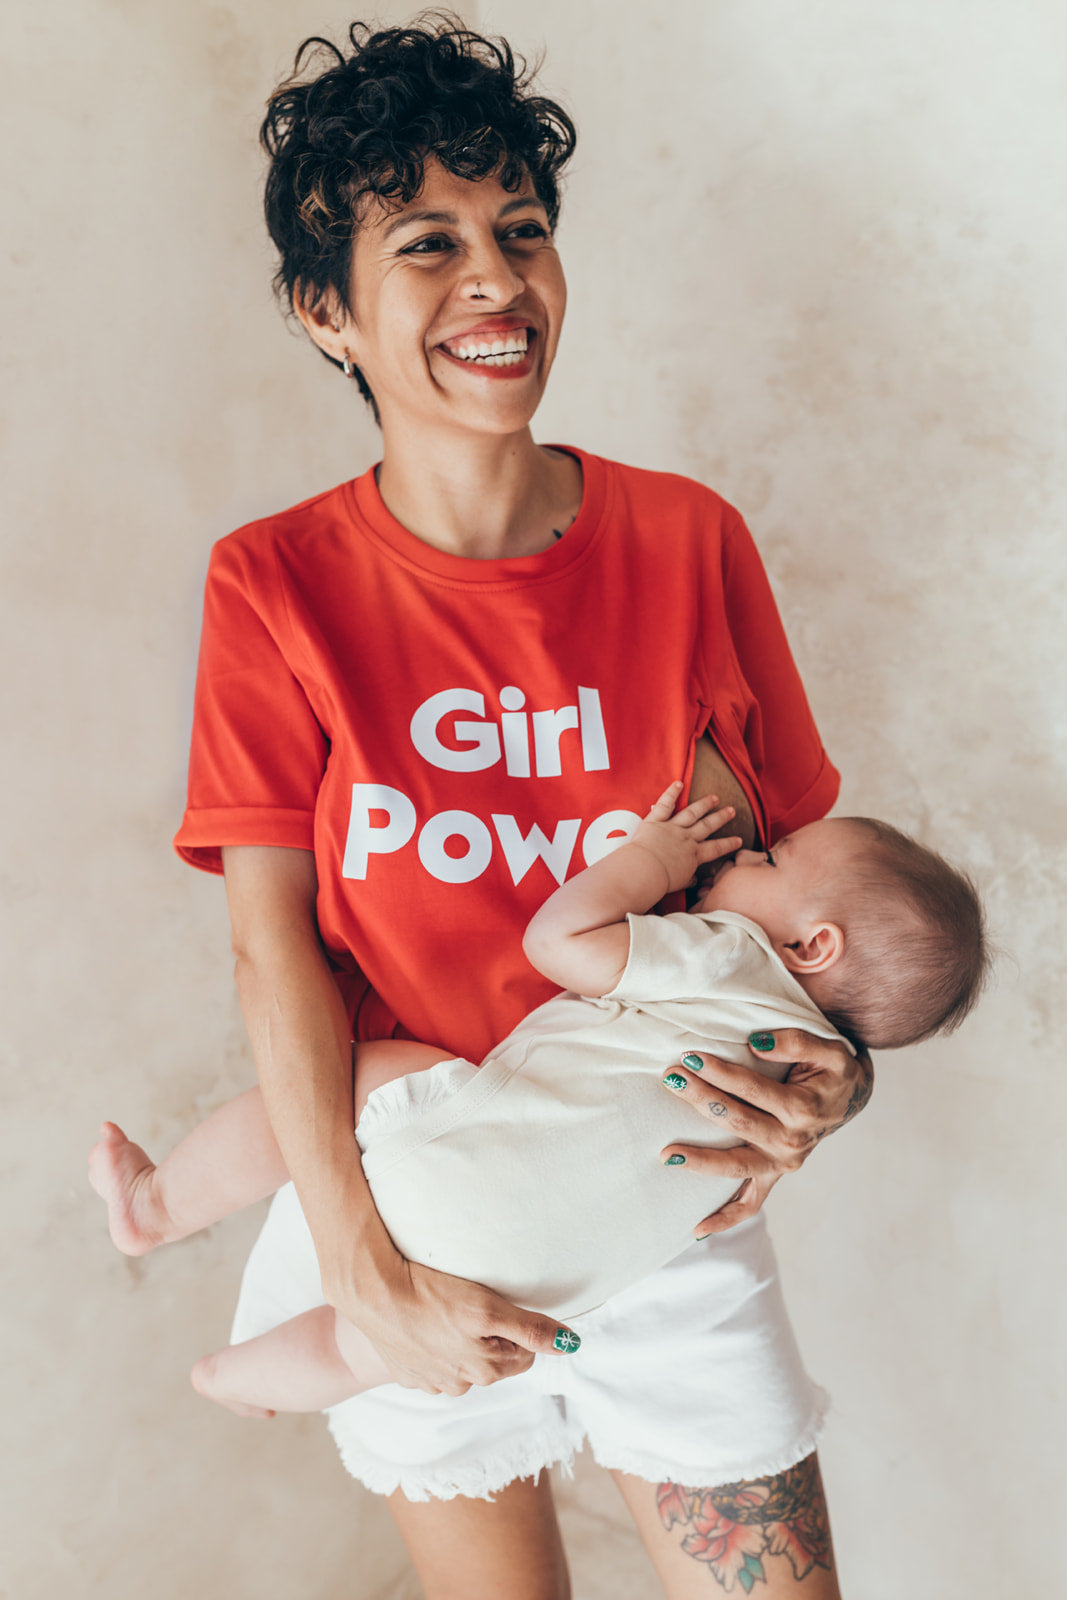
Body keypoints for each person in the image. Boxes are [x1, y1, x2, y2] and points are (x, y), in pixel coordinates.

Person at [152, 18, 879, 1598]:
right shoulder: (271, 585)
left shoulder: (690, 544)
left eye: (522, 233)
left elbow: (808, 907)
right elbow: (271, 953)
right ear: (323, 311)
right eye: (428, 244)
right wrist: (357, 1267)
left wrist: (833, 1092)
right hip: (419, 1220)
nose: (496, 279)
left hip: (669, 1214)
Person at [90, 788, 986, 1423]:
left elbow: (558, 941)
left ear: (810, 944)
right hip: (543, 1291)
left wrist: (650, 859)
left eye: (773, 858)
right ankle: (240, 1379)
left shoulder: (725, 958)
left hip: (460, 1164)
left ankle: (156, 1206)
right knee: (356, 1356)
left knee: (355, 1070)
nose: (751, 851)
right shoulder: (812, 1077)